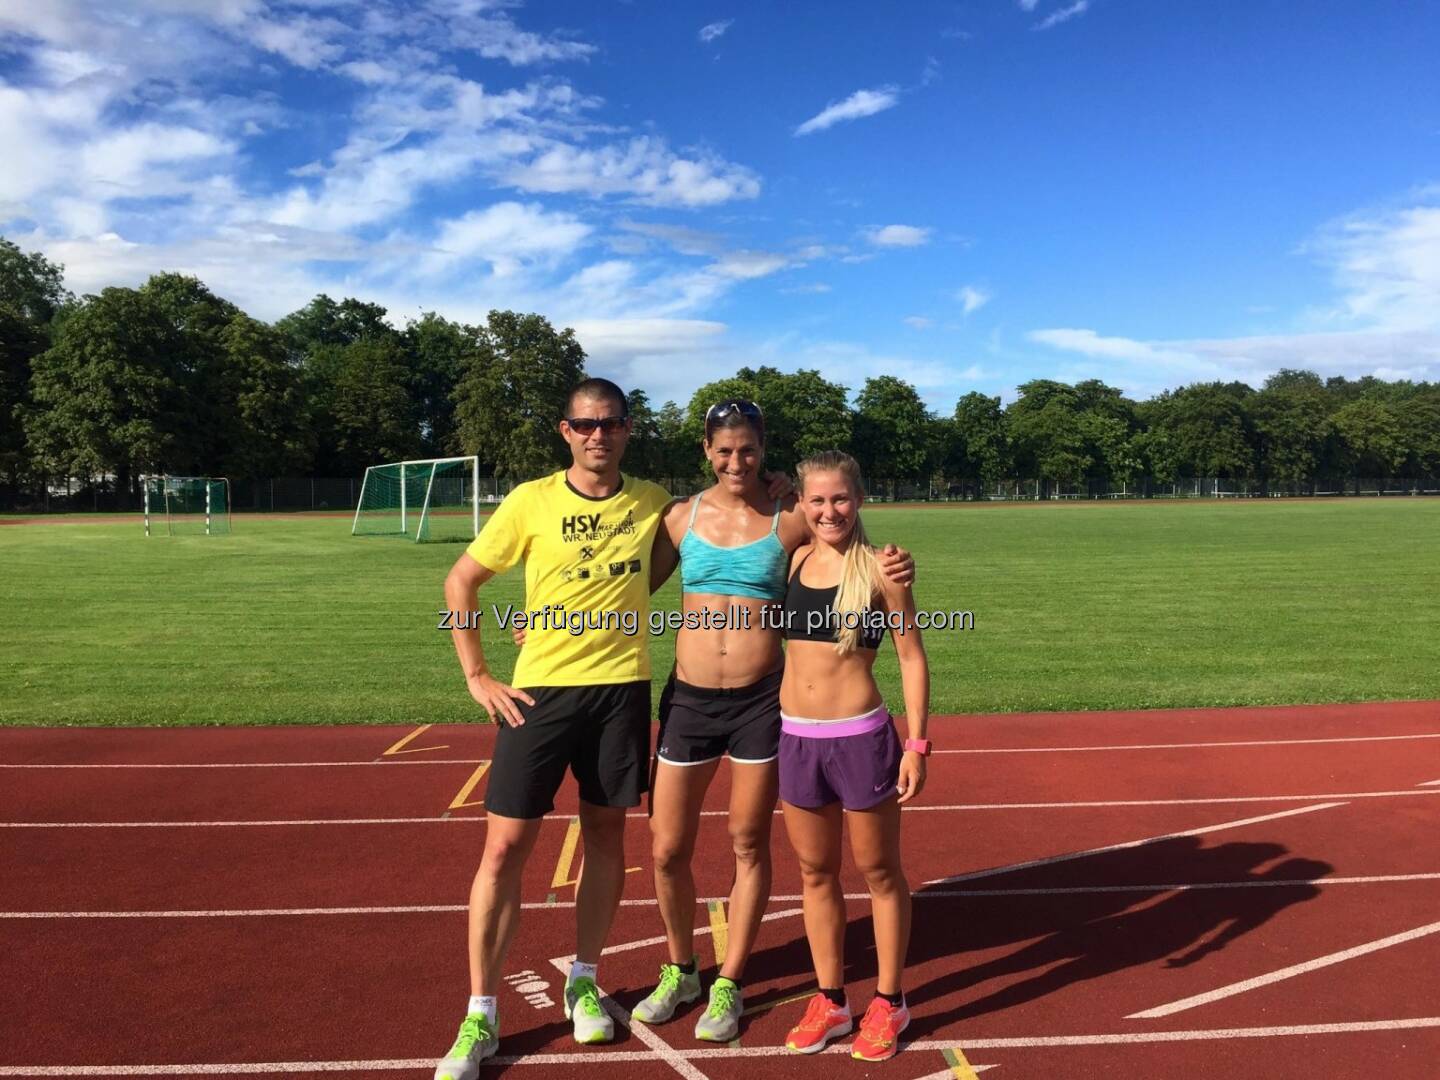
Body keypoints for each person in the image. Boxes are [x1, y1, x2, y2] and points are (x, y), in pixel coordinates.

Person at [433, 381, 789, 1079]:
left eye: (612, 424)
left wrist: (777, 485)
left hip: (621, 692)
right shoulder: (530, 500)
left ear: (628, 430)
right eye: (585, 424)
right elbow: (461, 581)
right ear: (566, 431)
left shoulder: (657, 503)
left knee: (605, 838)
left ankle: (585, 981)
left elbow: (673, 561)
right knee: (504, 849)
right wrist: (476, 674)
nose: (599, 435)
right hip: (539, 693)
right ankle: (480, 1012)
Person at [628, 402, 914, 1043]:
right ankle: (681, 970)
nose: (737, 462)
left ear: (764, 450)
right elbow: (626, 592)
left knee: (748, 843)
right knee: (666, 847)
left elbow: (842, 536)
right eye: (725, 450)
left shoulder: (789, 519)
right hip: (690, 700)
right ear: (706, 448)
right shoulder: (680, 518)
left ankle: (728, 983)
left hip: (763, 702)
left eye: (749, 450)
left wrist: (889, 561)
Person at [776, 450, 930, 1063]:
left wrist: (916, 743)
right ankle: (832, 999)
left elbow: (912, 657)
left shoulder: (883, 569)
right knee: (816, 875)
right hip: (796, 739)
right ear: (802, 504)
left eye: (839, 498)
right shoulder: (791, 558)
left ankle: (890, 1001)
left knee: (880, 873)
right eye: (817, 499)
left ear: (858, 498)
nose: (828, 510)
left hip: (862, 739)